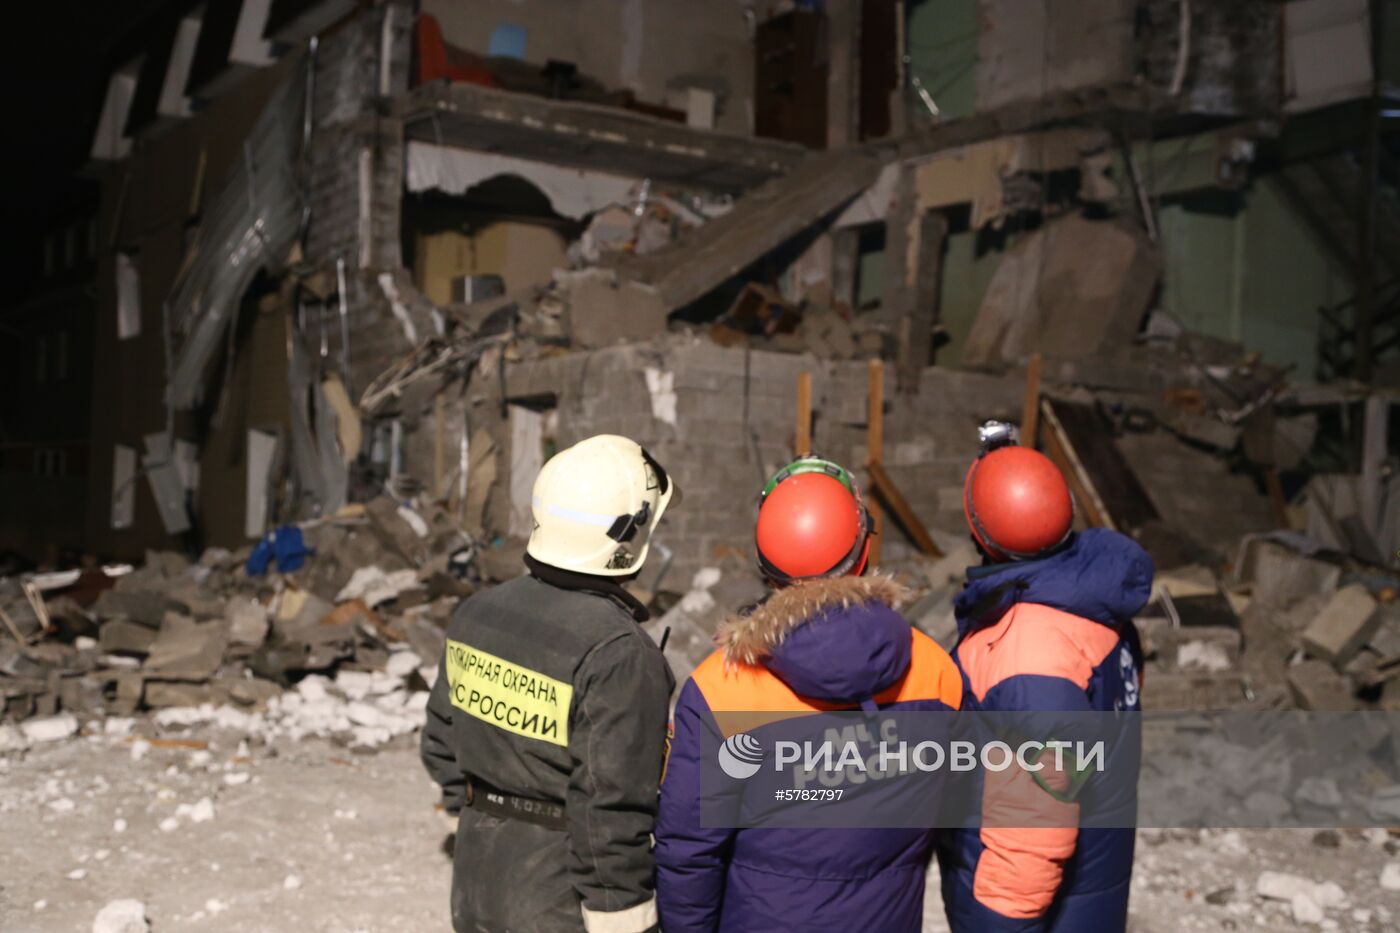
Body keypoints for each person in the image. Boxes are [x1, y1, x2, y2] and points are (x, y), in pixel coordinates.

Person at [655, 456, 963, 933]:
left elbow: (689, 854)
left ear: (766, 565)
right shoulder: (935, 670)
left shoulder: (721, 688)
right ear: (862, 550)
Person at [420, 434, 677, 933]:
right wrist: (624, 918)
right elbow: (611, 806)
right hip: (561, 900)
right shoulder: (619, 653)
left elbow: (440, 741)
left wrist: (470, 818)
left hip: (477, 882)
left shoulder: (478, 614)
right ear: (628, 534)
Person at [937, 434, 1153, 932]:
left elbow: (1035, 827)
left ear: (979, 530)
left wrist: (999, 919)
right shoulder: (1095, 604)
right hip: (1095, 874)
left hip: (1021, 898)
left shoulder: (1026, 646)